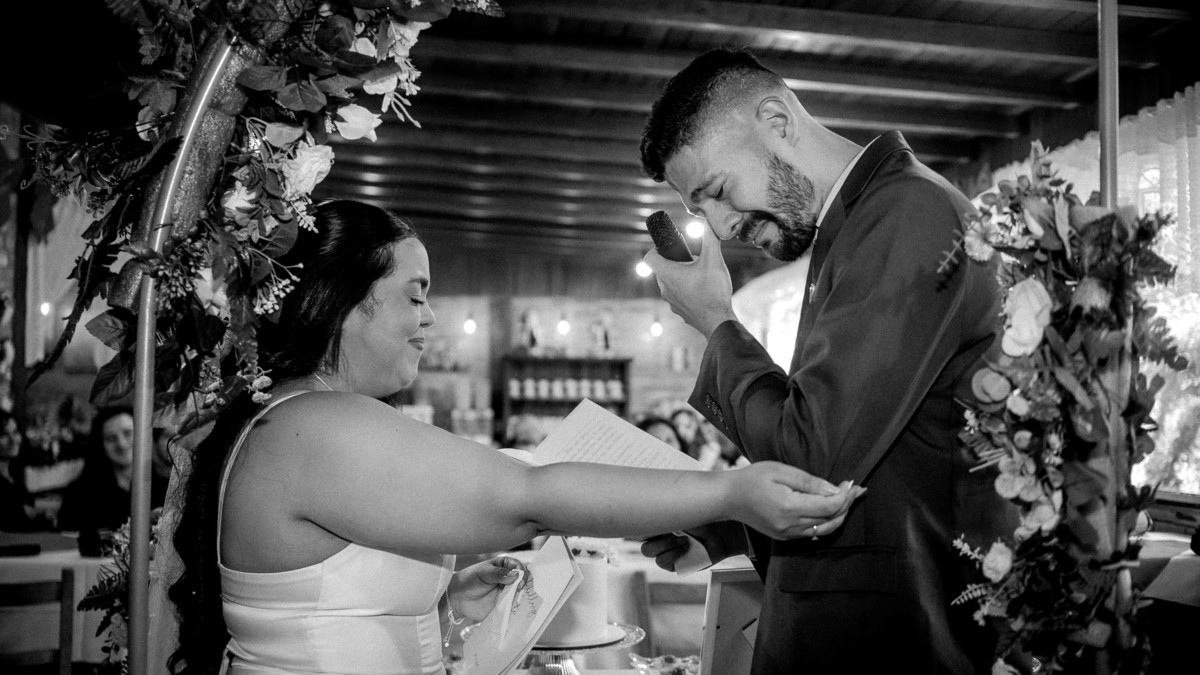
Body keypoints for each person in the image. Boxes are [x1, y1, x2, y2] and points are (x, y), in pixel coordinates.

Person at [167, 199, 865, 675]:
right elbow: (527, 496)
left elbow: (319, 607)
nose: (430, 318)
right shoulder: (315, 425)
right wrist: (730, 492)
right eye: (415, 294)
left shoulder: (298, 418)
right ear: (342, 299)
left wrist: (442, 603)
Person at [638, 49, 1018, 674]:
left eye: (719, 193)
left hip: (892, 641)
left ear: (777, 121)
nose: (723, 228)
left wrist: (717, 322)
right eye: (702, 213)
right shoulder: (854, 228)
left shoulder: (907, 212)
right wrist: (727, 525)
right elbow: (878, 471)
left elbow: (811, 455)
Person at [58, 405, 153, 533]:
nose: (121, 444)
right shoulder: (78, 493)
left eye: (128, 433)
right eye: (111, 438)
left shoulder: (167, 486)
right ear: (100, 445)